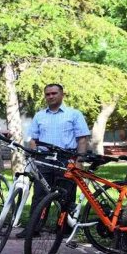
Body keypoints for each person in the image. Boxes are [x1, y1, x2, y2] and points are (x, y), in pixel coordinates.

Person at [22, 83, 91, 229]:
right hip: (44, 160)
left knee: (66, 196)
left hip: (66, 159)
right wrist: (35, 160)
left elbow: (82, 139)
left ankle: (64, 229)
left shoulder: (74, 114)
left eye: (54, 93)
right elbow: (33, 139)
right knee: (40, 195)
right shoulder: (39, 116)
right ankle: (33, 229)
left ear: (62, 94)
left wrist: (80, 160)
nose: (50, 96)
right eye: (47, 94)